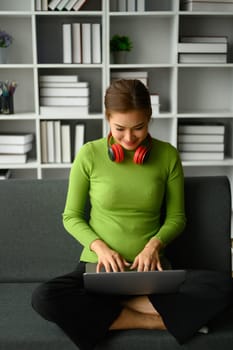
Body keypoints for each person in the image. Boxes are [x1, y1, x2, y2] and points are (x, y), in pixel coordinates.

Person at [32, 79, 232, 350]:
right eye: (119, 129)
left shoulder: (167, 156)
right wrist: (100, 248)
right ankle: (157, 321)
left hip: (152, 269)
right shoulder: (89, 155)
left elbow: (177, 218)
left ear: (149, 118)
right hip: (99, 266)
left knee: (223, 286)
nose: (128, 138)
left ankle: (112, 306)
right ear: (107, 119)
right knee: (44, 298)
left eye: (138, 128)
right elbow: (72, 216)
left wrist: (153, 246)